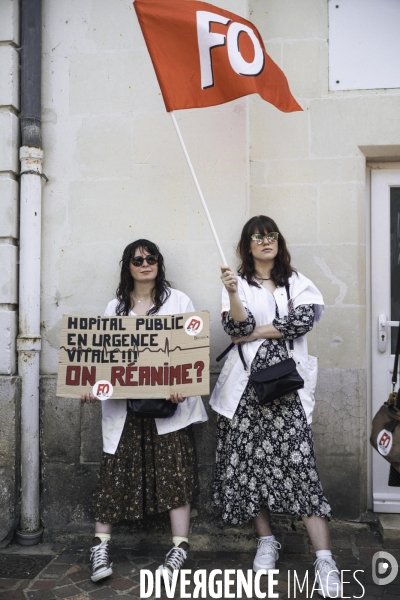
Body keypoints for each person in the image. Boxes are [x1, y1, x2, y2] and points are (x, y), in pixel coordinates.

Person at [210, 216, 341, 598]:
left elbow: (301, 322)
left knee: (301, 469)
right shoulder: (236, 283)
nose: (265, 241)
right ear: (247, 246)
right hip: (245, 390)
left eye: (271, 235)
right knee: (249, 468)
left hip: (287, 390)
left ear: (278, 241)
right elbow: (236, 328)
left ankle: (325, 558)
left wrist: (255, 330)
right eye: (257, 236)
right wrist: (234, 294)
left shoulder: (297, 282)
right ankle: (266, 541)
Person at [81, 239, 208, 583]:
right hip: (125, 408)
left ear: (159, 263)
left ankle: (180, 547)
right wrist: (92, 386)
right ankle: (100, 547)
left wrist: (184, 384)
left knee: (175, 473)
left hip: (169, 407)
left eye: (151, 258)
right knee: (113, 475)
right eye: (138, 259)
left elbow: (191, 352)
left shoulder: (178, 302)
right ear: (128, 266)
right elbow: (102, 358)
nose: (145, 263)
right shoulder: (115, 307)